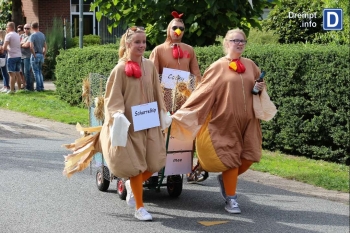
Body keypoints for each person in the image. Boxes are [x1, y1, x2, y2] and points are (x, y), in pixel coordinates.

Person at [62, 26, 171, 221]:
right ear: (128, 44)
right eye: (137, 42)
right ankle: (139, 207)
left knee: (156, 161)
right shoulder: (120, 69)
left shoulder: (150, 66)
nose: (141, 45)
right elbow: (112, 98)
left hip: (149, 122)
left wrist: (162, 112)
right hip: (129, 126)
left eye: (144, 42)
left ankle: (131, 185)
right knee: (136, 167)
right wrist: (118, 116)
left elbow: (156, 90)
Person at [169, 28, 271, 214]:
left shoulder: (251, 65)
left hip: (249, 121)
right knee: (231, 161)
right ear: (226, 43)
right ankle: (231, 199)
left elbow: (258, 90)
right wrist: (185, 112)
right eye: (235, 40)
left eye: (242, 41)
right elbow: (203, 92)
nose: (239, 43)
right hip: (224, 121)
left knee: (250, 156)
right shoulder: (217, 66)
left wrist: (260, 87)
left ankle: (225, 180)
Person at [149, 11, 205, 183]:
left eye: (181, 28)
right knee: (163, 132)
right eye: (175, 28)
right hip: (164, 98)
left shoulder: (189, 50)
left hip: (184, 100)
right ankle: (157, 164)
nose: (178, 31)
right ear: (169, 30)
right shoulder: (159, 50)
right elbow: (152, 75)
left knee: (187, 132)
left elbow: (196, 74)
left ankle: (186, 168)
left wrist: (198, 94)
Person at [0, 22, 22, 94]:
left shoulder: (8, 35)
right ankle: (19, 89)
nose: (6, 28)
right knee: (18, 73)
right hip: (19, 56)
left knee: (11, 74)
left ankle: (12, 90)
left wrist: (2, 48)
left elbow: (5, 47)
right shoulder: (17, 35)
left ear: (9, 27)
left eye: (7, 27)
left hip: (11, 56)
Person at [29, 21, 47, 91]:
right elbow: (45, 46)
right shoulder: (42, 35)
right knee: (39, 71)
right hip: (41, 54)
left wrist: (34, 55)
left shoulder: (33, 35)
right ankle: (42, 87)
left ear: (32, 27)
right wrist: (44, 55)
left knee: (36, 72)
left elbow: (31, 47)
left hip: (35, 54)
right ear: (38, 26)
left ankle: (38, 88)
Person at [20, 23, 33, 91]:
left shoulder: (31, 36)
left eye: (28, 28)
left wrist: (21, 44)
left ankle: (29, 87)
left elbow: (27, 45)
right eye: (25, 28)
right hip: (21, 56)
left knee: (27, 72)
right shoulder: (21, 36)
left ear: (30, 29)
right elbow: (17, 44)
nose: (26, 30)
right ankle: (26, 86)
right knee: (22, 72)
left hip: (27, 56)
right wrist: (22, 44)